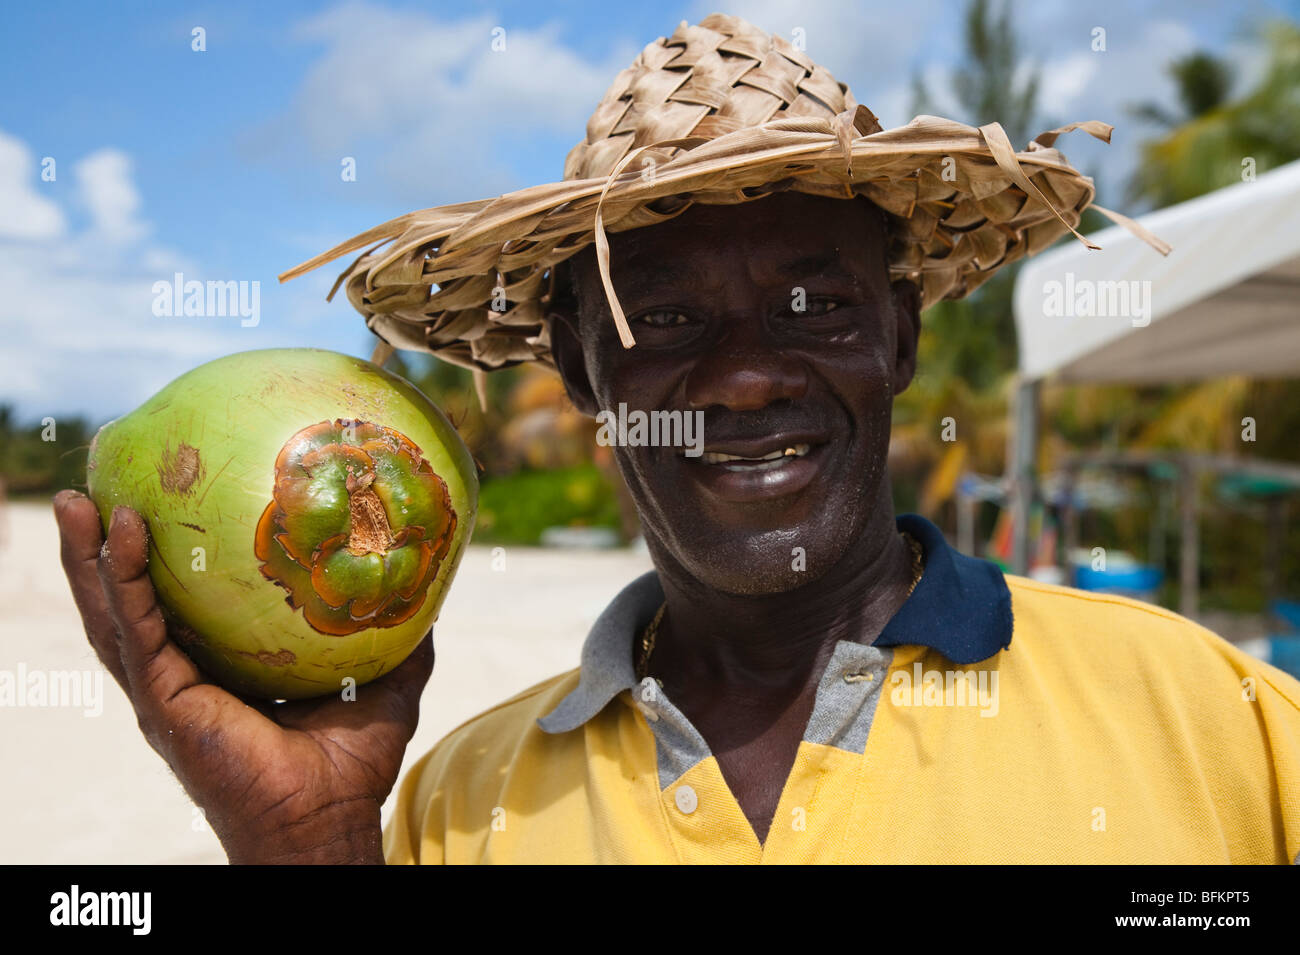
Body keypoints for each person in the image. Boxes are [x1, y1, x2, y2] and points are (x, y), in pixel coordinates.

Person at [56, 14, 1300, 864]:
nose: (751, 376)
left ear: (903, 336)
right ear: (581, 372)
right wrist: (311, 854)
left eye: (815, 304)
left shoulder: (1219, 721)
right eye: (662, 317)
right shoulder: (455, 806)